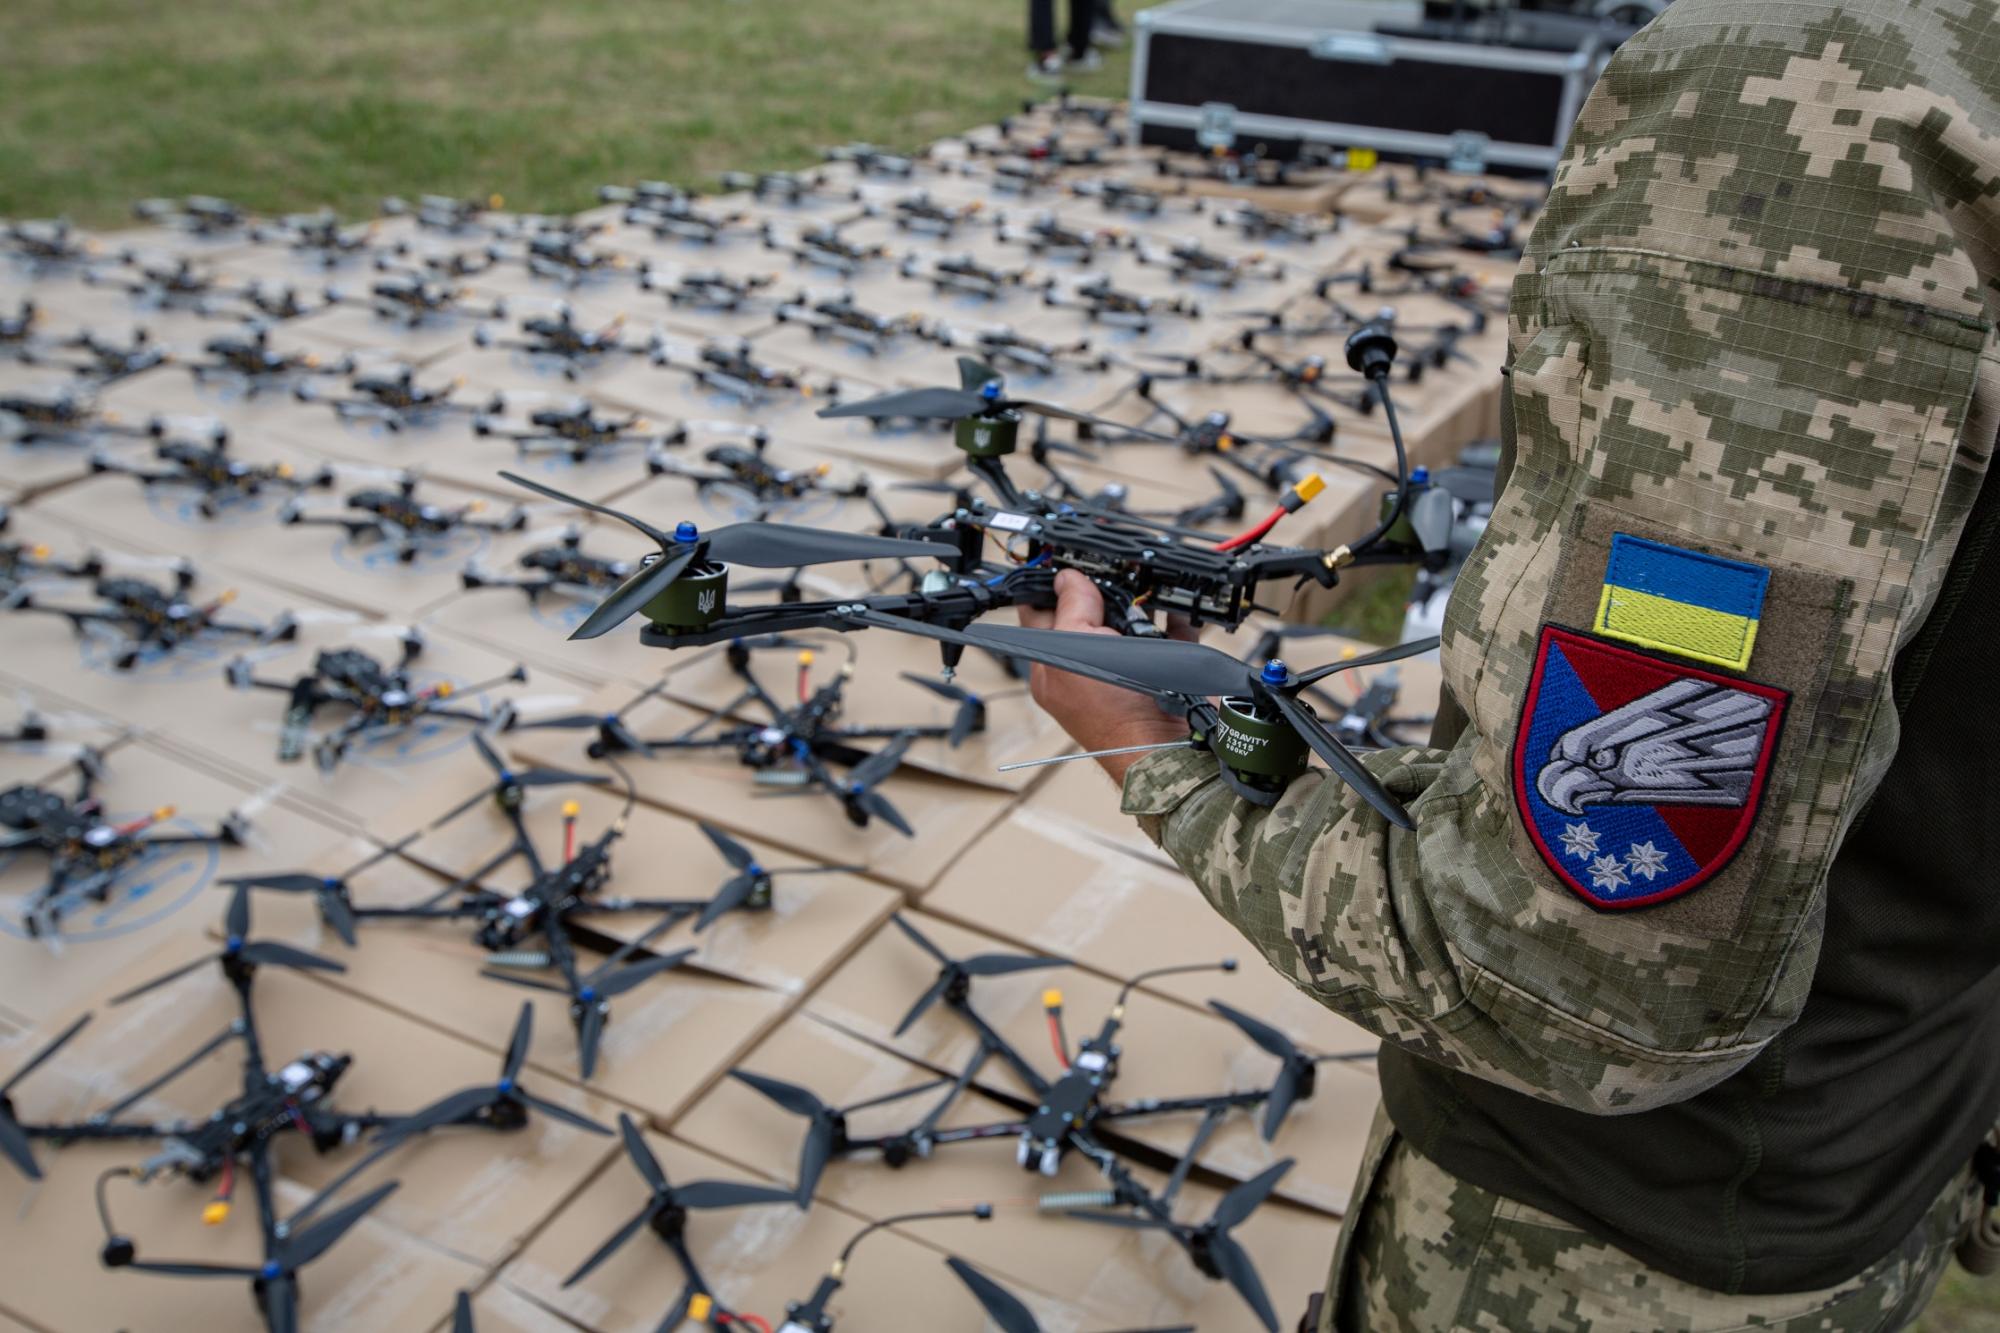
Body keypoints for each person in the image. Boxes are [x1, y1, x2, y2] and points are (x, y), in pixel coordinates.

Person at [1018, 0, 2000, 1327]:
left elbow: (1577, 985)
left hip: (1611, 1241)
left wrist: (1156, 752)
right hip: (1880, 1144)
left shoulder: (1823, 85)